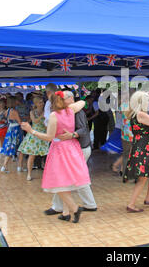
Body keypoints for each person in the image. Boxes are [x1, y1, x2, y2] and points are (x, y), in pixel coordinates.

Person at [21, 91, 90, 223]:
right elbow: (82, 102)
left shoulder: (54, 115)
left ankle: (75, 209)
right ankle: (65, 213)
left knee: (58, 182)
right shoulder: (71, 110)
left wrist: (31, 131)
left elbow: (49, 137)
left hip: (60, 150)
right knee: (65, 181)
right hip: (72, 148)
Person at [42, 90, 97, 216]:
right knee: (65, 178)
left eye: (62, 98)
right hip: (72, 148)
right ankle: (61, 207)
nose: (58, 101)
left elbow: (84, 129)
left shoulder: (76, 112)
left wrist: (72, 134)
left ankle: (87, 205)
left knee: (75, 178)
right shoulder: (65, 112)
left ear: (71, 99)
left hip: (79, 147)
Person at [18, 96, 50, 181]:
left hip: (44, 134)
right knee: (32, 155)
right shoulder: (32, 112)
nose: (42, 103)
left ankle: (48, 173)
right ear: (36, 104)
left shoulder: (46, 111)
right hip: (34, 134)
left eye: (42, 102)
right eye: (40, 102)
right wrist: (42, 116)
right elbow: (34, 121)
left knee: (47, 155)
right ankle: (29, 174)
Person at [0, 96, 24, 173]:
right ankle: (19, 166)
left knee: (9, 147)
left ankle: (4, 166)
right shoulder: (15, 112)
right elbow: (19, 122)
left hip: (10, 129)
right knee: (21, 148)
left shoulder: (7, 111)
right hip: (16, 130)